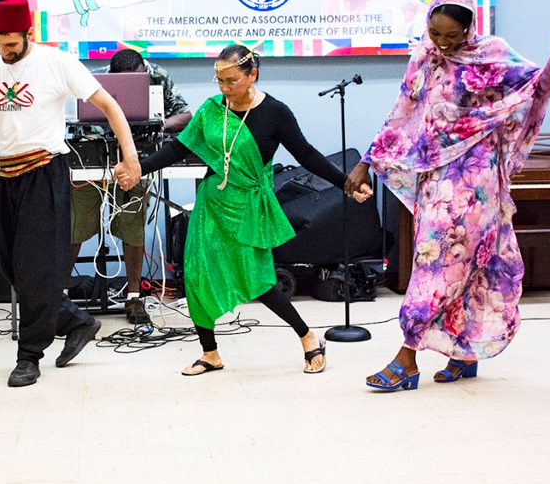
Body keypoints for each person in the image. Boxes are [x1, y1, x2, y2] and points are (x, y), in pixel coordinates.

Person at [346, 0, 550, 391]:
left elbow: (536, 87)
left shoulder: (492, 53)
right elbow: (402, 112)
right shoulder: (425, 56)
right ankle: (463, 354)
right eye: (435, 33)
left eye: (451, 36)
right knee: (458, 268)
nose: (443, 43)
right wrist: (365, 162)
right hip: (434, 179)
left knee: (438, 267)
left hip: (474, 184)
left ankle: (406, 358)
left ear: (469, 28)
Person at [116, 44, 365, 376]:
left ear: (252, 76)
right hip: (212, 206)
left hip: (247, 207)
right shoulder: (211, 110)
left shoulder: (275, 113)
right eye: (219, 81)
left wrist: (345, 182)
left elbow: (306, 154)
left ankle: (307, 337)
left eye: (231, 81)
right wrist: (138, 169)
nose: (224, 88)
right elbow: (177, 148)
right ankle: (210, 354)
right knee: (197, 276)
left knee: (258, 281)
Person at [0, 0, 141, 388]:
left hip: (45, 172)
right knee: (11, 267)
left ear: (29, 33)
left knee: (34, 270)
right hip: (5, 176)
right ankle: (77, 321)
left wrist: (130, 157)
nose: (4, 52)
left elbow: (110, 105)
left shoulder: (56, 63)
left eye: (11, 44)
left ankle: (29, 357)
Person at [70, 48, 191, 324]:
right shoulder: (92, 80)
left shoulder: (157, 75)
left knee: (133, 225)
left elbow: (186, 115)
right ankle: (61, 298)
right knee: (76, 225)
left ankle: (133, 298)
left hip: (137, 160)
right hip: (91, 161)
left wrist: (159, 123)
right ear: (112, 75)